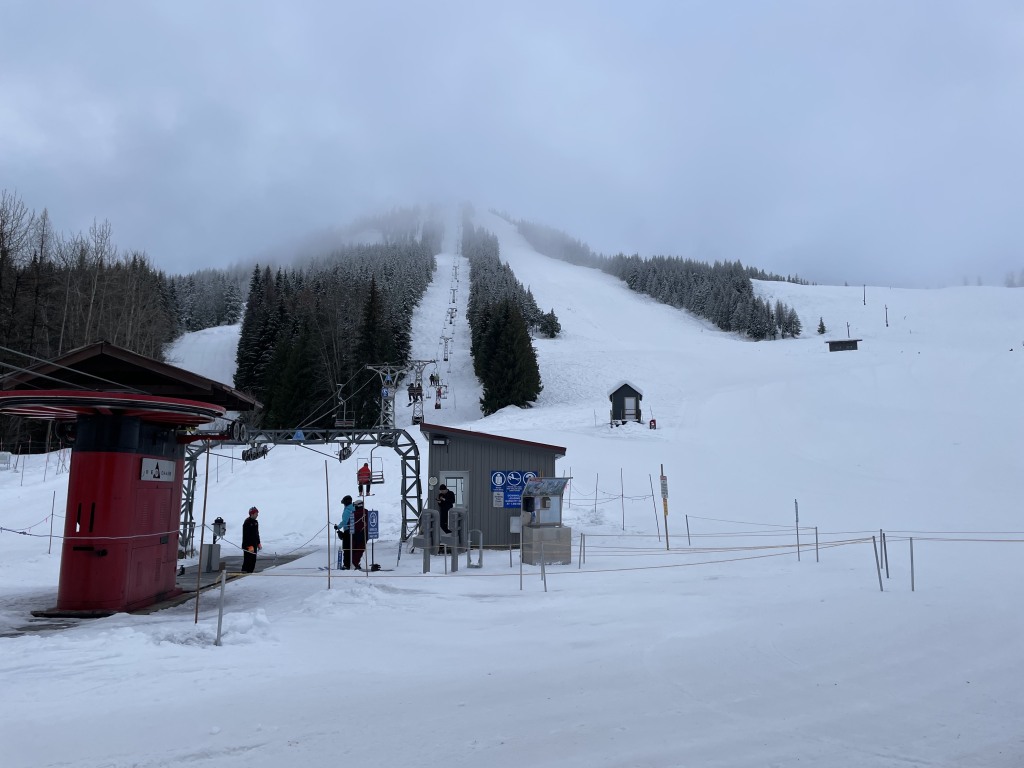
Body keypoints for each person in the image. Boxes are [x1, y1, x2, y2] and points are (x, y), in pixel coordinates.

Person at [336, 495, 355, 569]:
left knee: (346, 549)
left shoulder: (347, 510)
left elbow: (345, 521)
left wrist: (338, 527)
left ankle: (346, 565)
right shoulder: (354, 508)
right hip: (354, 531)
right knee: (353, 548)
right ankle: (354, 563)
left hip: (348, 531)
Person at [241, 506, 261, 573]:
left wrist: (258, 543)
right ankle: (244, 573)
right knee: (248, 560)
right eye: (256, 513)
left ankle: (250, 573)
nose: (257, 515)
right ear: (251, 514)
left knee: (253, 560)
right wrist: (249, 546)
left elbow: (256, 534)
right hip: (248, 545)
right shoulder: (247, 522)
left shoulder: (255, 522)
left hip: (254, 544)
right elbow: (246, 535)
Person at [350, 498, 368, 570]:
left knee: (354, 549)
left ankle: (354, 563)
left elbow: (349, 523)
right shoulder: (366, 512)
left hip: (354, 534)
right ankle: (355, 563)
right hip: (364, 533)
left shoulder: (354, 513)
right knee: (360, 549)